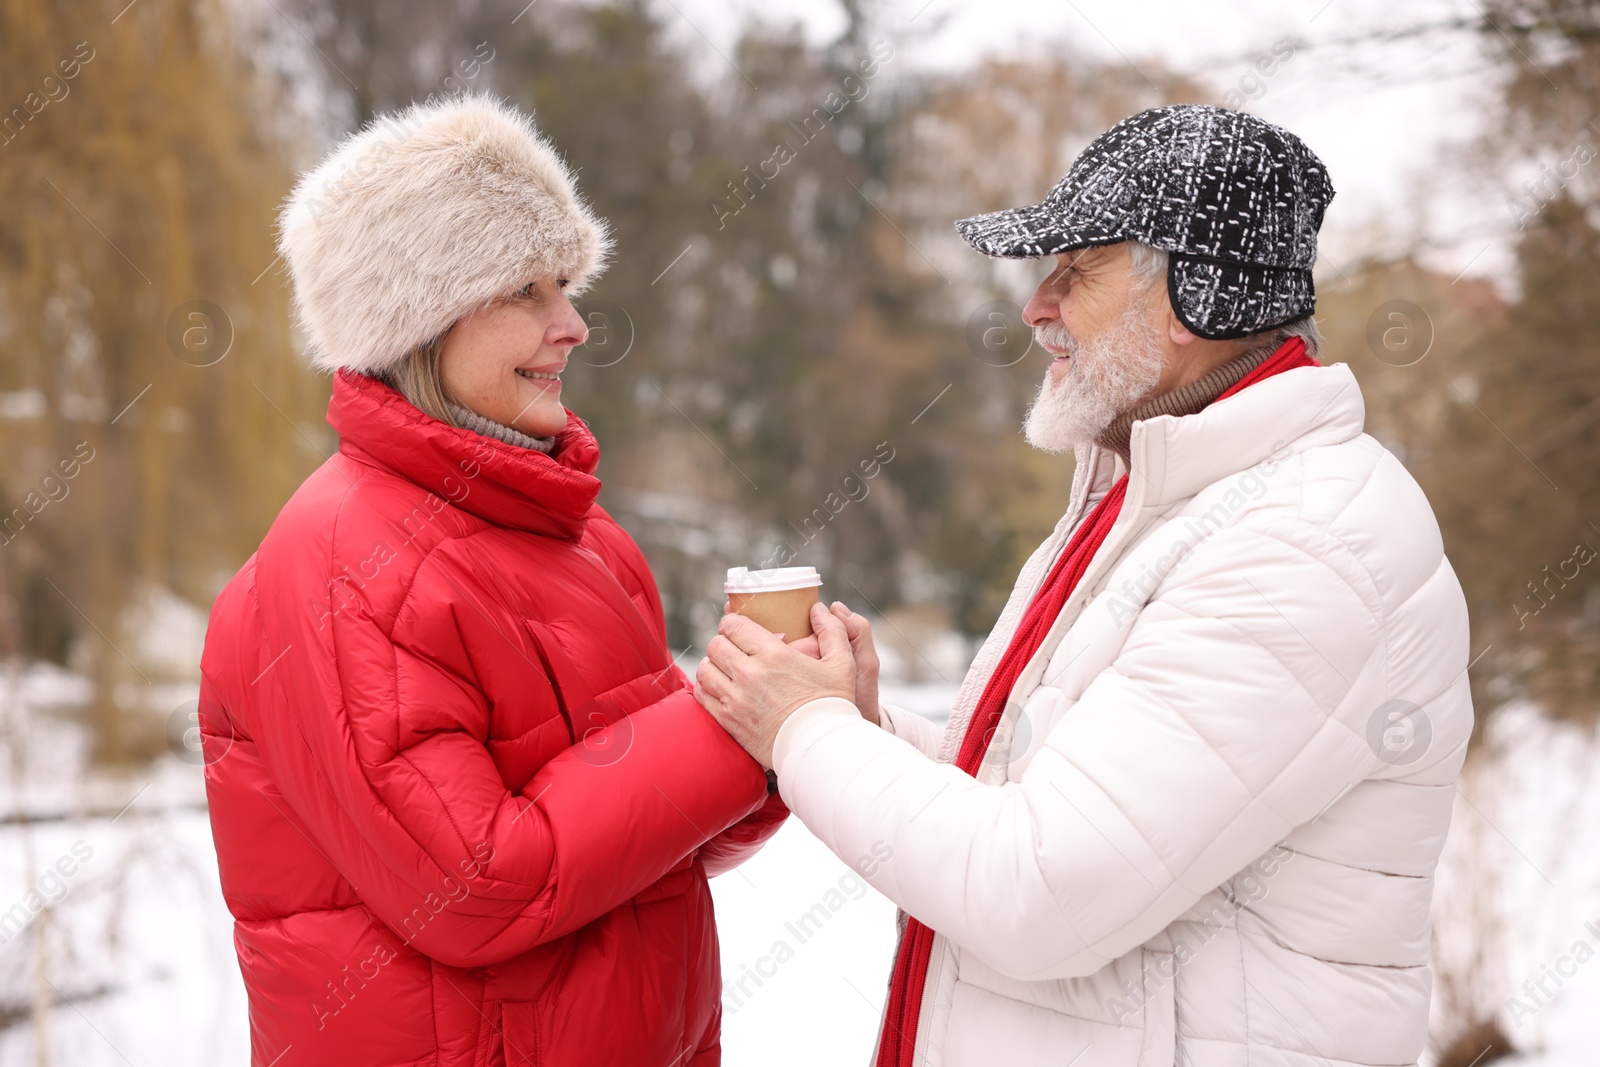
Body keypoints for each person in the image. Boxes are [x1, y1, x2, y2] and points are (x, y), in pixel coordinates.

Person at [695, 105, 1473, 1067]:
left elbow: (1036, 890)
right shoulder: (1158, 498)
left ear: (1199, 297)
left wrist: (801, 733)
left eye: (1077, 271)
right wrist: (858, 729)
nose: (1036, 307)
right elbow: (1052, 803)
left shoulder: (1306, 544)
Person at [198, 94, 784, 1067]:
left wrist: (774, 725)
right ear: (415, 319)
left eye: (565, 283)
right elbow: (474, 885)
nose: (574, 326)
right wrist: (722, 728)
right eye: (525, 290)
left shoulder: (587, 541)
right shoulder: (343, 562)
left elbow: (662, 848)